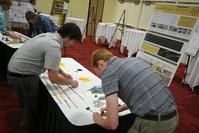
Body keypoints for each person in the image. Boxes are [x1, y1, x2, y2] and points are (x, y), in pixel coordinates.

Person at [7, 22, 82, 133]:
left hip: (15, 72)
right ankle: (29, 127)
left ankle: (28, 121)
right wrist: (71, 83)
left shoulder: (49, 36)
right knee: (30, 108)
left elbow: (50, 62)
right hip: (22, 77)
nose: (72, 45)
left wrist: (64, 74)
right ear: (68, 37)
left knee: (29, 104)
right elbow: (53, 78)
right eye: (73, 41)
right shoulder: (54, 46)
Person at [91, 49, 178, 133]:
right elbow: (143, 92)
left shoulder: (108, 72)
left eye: (97, 72)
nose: (101, 76)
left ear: (100, 64)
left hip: (154, 123)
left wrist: (99, 120)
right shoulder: (134, 60)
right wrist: (120, 108)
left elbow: (112, 124)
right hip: (173, 115)